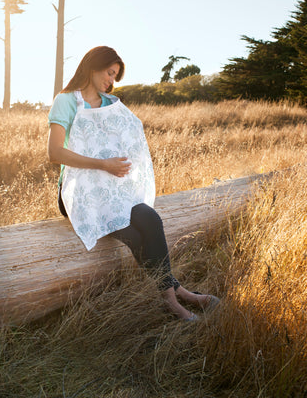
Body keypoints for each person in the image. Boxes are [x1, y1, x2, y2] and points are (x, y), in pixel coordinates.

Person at [48, 45, 219, 321]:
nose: (111, 81)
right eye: (109, 73)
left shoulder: (110, 105)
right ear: (93, 66)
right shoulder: (66, 101)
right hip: (78, 193)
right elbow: (55, 153)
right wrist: (104, 164)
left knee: (150, 218)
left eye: (115, 77)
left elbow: (129, 132)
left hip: (111, 190)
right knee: (134, 235)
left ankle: (178, 293)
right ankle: (175, 298)